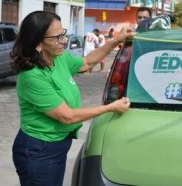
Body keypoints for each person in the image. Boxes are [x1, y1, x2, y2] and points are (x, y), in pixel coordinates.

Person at [10, 11, 135, 186]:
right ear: (38, 43)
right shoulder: (32, 77)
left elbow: (87, 63)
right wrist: (110, 107)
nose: (64, 40)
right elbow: (67, 116)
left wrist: (115, 41)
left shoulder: (58, 58)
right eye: (57, 37)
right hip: (39, 150)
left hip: (57, 145)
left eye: (63, 34)